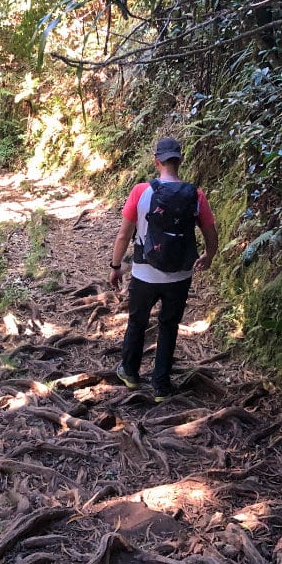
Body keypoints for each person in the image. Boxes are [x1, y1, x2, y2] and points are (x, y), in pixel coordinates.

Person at [108, 137, 218, 402]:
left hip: (144, 273)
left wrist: (116, 266)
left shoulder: (140, 191)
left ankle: (130, 373)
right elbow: (211, 234)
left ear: (156, 161)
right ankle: (161, 386)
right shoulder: (196, 195)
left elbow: (124, 234)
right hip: (180, 275)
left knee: (137, 321)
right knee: (169, 326)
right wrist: (209, 256)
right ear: (180, 160)